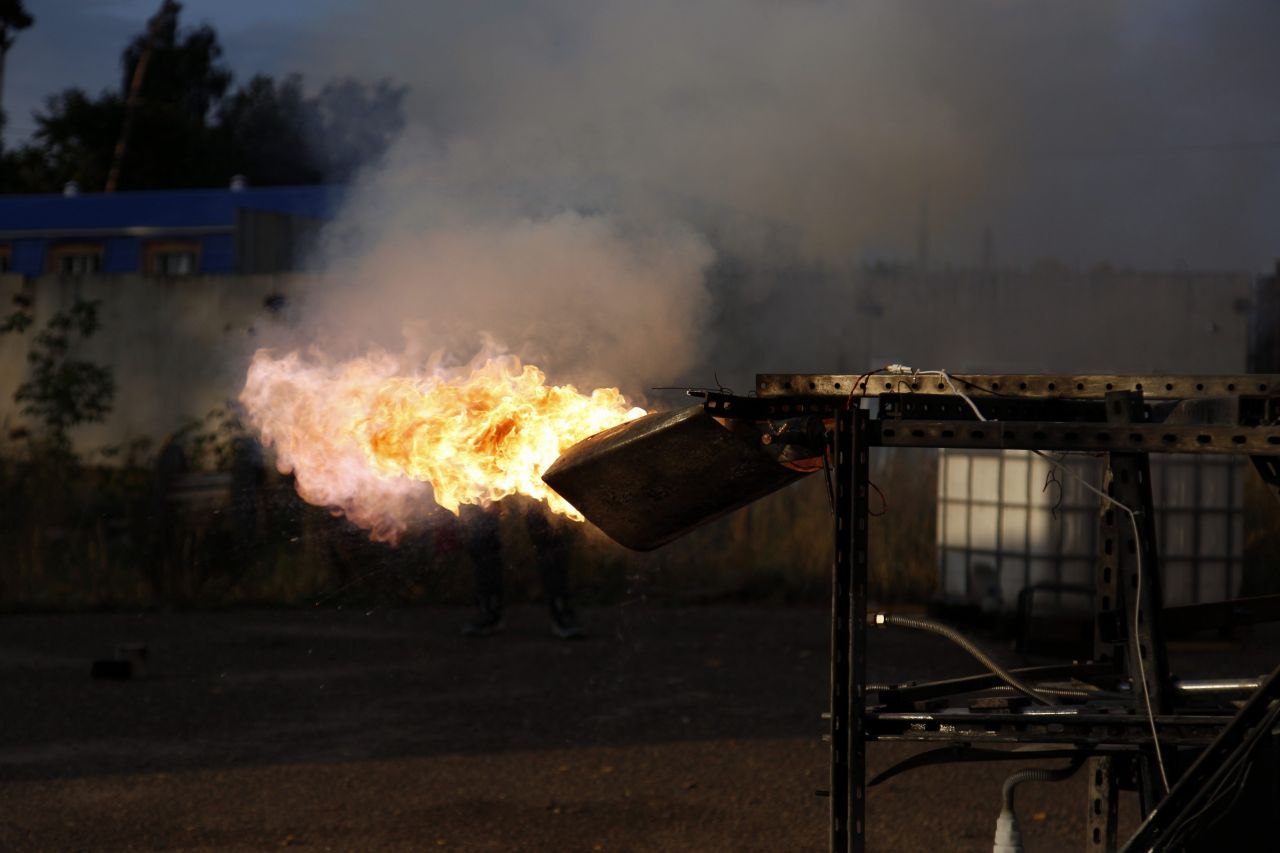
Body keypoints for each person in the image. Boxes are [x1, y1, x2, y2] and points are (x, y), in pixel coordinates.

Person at [460, 500, 584, 640]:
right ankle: (488, 611)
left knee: (548, 538)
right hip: (487, 483)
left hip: (535, 481)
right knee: (482, 539)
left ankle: (562, 611)